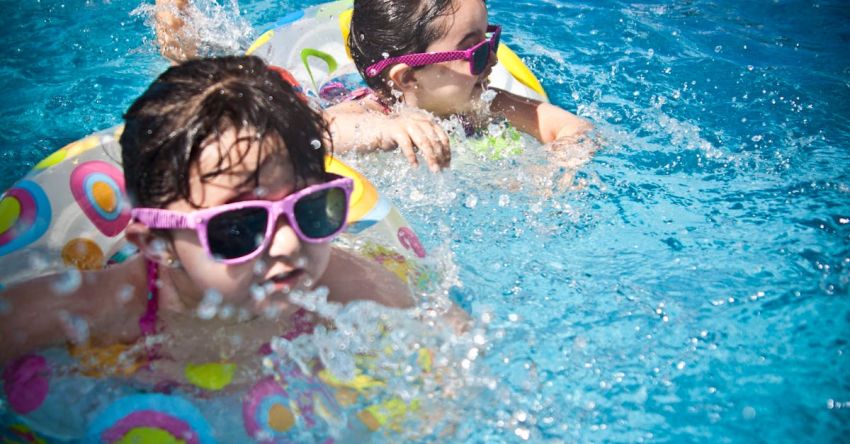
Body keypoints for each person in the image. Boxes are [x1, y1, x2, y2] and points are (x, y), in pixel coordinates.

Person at [0, 56, 413, 383]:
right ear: (155, 244)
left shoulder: (347, 288)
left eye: (309, 210)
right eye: (240, 227)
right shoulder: (93, 312)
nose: (289, 245)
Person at [153, 0, 593, 174]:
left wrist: (556, 170)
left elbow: (569, 128)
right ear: (406, 78)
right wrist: (383, 132)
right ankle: (176, 26)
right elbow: (314, 134)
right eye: (475, 52)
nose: (493, 60)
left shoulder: (484, 102)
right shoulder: (371, 113)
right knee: (207, 80)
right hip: (326, 92)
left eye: (491, 40)